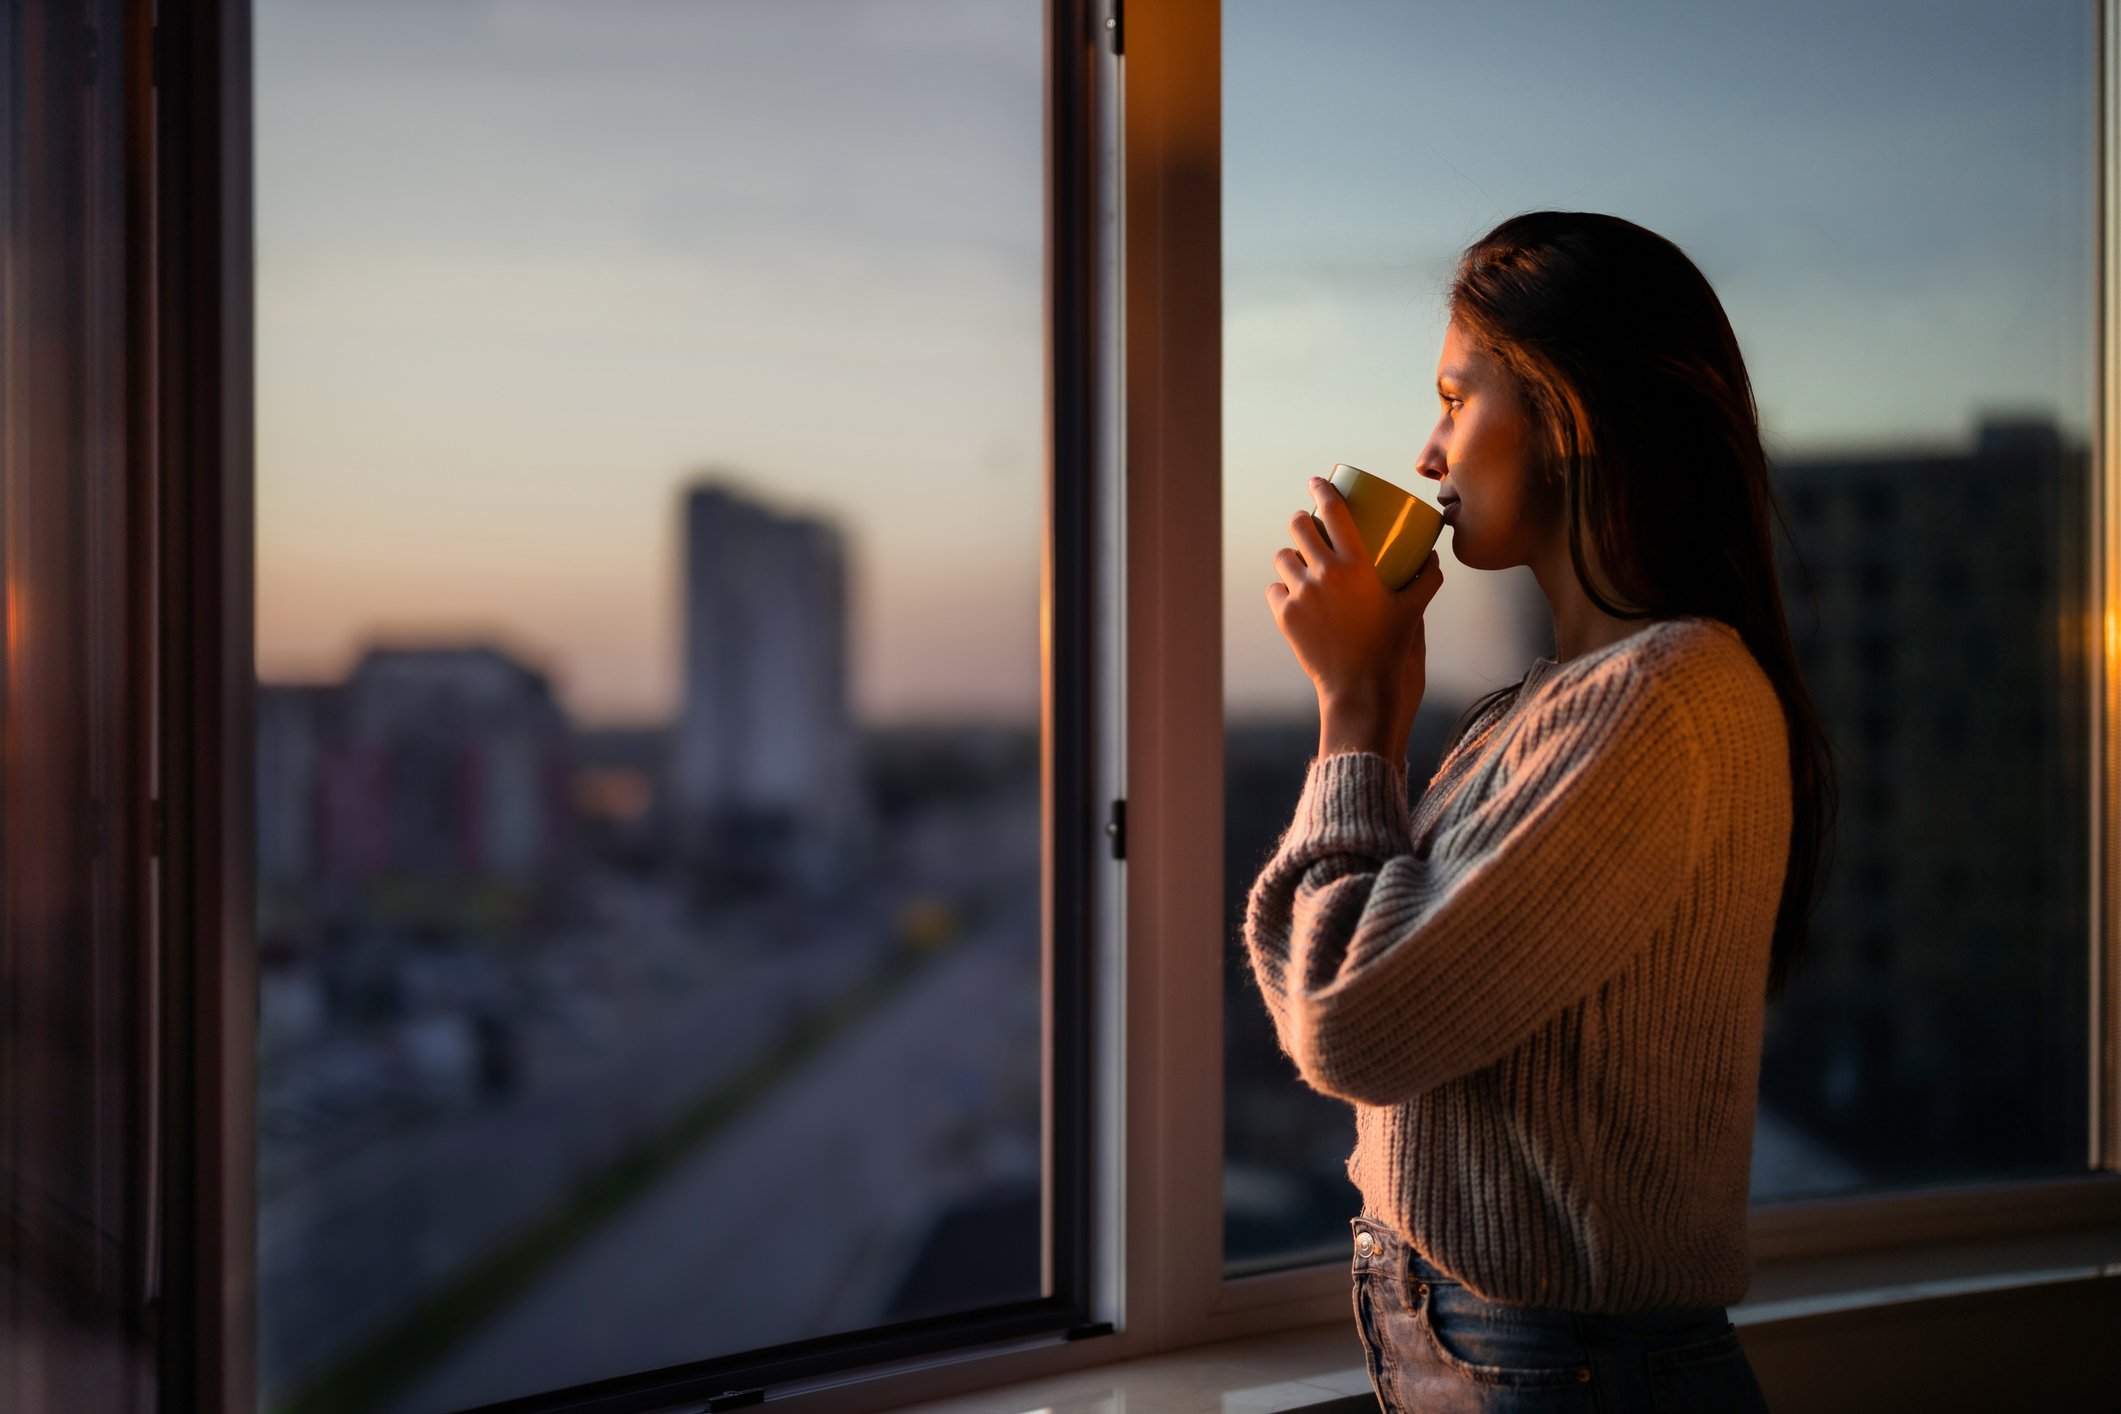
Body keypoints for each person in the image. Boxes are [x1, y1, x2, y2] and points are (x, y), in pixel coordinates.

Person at [1244, 210, 1835, 1413]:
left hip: (1571, 1371)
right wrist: (1380, 709)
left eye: (1457, 399)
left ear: (1565, 414)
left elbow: (1349, 1024)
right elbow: (1351, 983)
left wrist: (1355, 717)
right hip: (1524, 1359)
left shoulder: (1663, 703)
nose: (1427, 452)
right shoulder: (1546, 711)